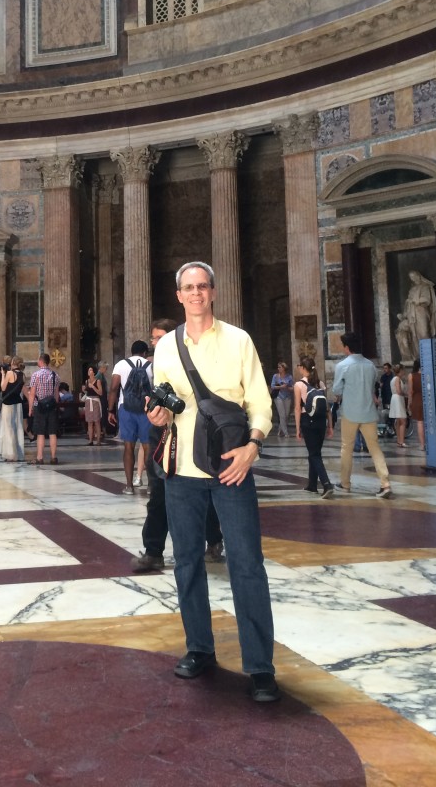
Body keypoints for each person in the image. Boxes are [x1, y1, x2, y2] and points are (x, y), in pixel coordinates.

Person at [147, 261, 280, 703]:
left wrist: (253, 446)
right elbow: (162, 405)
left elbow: (261, 404)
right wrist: (158, 414)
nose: (197, 293)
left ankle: (260, 667)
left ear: (213, 292)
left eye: (203, 286)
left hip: (231, 468)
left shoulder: (239, 341)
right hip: (182, 472)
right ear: (179, 296)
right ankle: (200, 648)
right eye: (189, 288)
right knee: (186, 562)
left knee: (247, 565)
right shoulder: (165, 348)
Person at [132, 318, 176, 573]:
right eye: (153, 338)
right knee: (158, 492)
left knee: (198, 491)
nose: (152, 342)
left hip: (186, 431)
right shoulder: (151, 366)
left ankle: (213, 540)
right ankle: (153, 551)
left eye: (157, 338)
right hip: (158, 430)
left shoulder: (186, 361)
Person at [332, 331, 392, 499]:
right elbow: (374, 387)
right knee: (375, 449)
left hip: (350, 413)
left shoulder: (342, 366)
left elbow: (336, 389)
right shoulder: (370, 366)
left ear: (347, 347)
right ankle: (385, 483)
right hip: (368, 412)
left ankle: (345, 483)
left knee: (346, 449)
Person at [107, 340, 152, 493]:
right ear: (145, 353)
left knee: (128, 446)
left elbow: (113, 388)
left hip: (126, 408)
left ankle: (129, 486)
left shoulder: (121, 364)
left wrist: (110, 410)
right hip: (147, 409)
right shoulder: (151, 365)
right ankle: (151, 485)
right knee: (147, 446)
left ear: (131, 352)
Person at [294, 356, 334, 498]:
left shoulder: (299, 385)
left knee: (314, 454)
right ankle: (312, 485)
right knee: (315, 452)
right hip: (321, 421)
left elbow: (298, 408)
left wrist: (297, 428)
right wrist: (330, 425)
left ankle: (326, 484)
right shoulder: (320, 383)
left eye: (299, 366)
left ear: (302, 368)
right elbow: (327, 407)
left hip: (308, 420)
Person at [28, 353, 59, 464]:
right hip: (51, 406)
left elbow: (32, 393)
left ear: (41, 361)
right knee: (52, 432)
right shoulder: (55, 375)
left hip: (39, 406)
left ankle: (40, 457)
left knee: (40, 433)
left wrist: (30, 408)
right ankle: (53, 457)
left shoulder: (35, 375)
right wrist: (55, 405)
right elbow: (56, 394)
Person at [0, 356, 25, 462]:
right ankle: (19, 453)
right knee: (18, 428)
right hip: (18, 404)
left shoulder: (9, 373)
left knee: (8, 428)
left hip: (8, 404)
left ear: (13, 363)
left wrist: (3, 375)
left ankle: (10, 453)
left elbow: (3, 388)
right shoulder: (23, 375)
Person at [403, 270, 436, 347]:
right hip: (411, 313)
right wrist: (405, 312)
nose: (413, 278)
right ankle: (419, 355)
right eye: (411, 277)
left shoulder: (425, 287)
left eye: (414, 276)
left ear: (419, 275)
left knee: (424, 332)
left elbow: (427, 299)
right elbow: (408, 301)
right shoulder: (412, 289)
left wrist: (414, 301)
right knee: (414, 334)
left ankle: (428, 354)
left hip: (421, 312)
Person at [270, 362, 294, 437]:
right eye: (278, 367)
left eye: (280, 367)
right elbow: (272, 386)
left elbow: (293, 387)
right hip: (278, 397)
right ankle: (285, 432)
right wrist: (281, 387)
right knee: (282, 415)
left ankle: (280, 429)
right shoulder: (276, 376)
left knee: (286, 415)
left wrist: (286, 387)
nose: (278, 368)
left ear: (284, 368)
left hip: (287, 397)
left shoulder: (289, 377)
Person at [82, 365, 103, 446]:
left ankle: (98, 440)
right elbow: (87, 392)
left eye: (90, 370)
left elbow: (100, 393)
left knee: (97, 421)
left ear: (93, 372)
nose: (89, 371)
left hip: (95, 401)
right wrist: (84, 390)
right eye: (88, 370)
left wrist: (93, 387)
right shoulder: (87, 381)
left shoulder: (98, 381)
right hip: (88, 401)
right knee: (89, 422)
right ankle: (90, 440)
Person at [389, 363, 408, 448]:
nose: (404, 372)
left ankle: (399, 440)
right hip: (398, 398)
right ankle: (402, 441)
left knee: (398, 421)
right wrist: (405, 394)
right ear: (400, 370)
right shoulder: (397, 379)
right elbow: (398, 391)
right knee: (403, 420)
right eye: (403, 370)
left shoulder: (394, 378)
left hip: (395, 398)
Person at [408, 358, 424, 450]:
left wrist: (409, 403)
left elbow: (410, 391)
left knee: (420, 422)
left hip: (417, 399)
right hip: (427, 398)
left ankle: (422, 444)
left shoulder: (411, 376)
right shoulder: (427, 374)